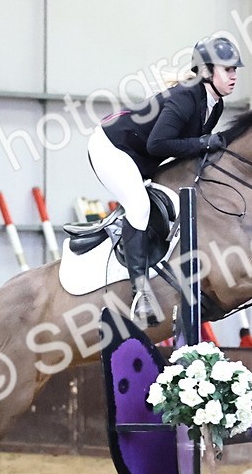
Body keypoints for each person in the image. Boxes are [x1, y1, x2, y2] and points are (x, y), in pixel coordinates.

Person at [88, 35, 242, 325]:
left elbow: (185, 146)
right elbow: (159, 145)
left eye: (235, 70)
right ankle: (141, 293)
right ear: (207, 71)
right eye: (228, 70)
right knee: (139, 207)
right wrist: (206, 142)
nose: (234, 76)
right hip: (112, 148)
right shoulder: (185, 98)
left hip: (140, 154)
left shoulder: (214, 104)